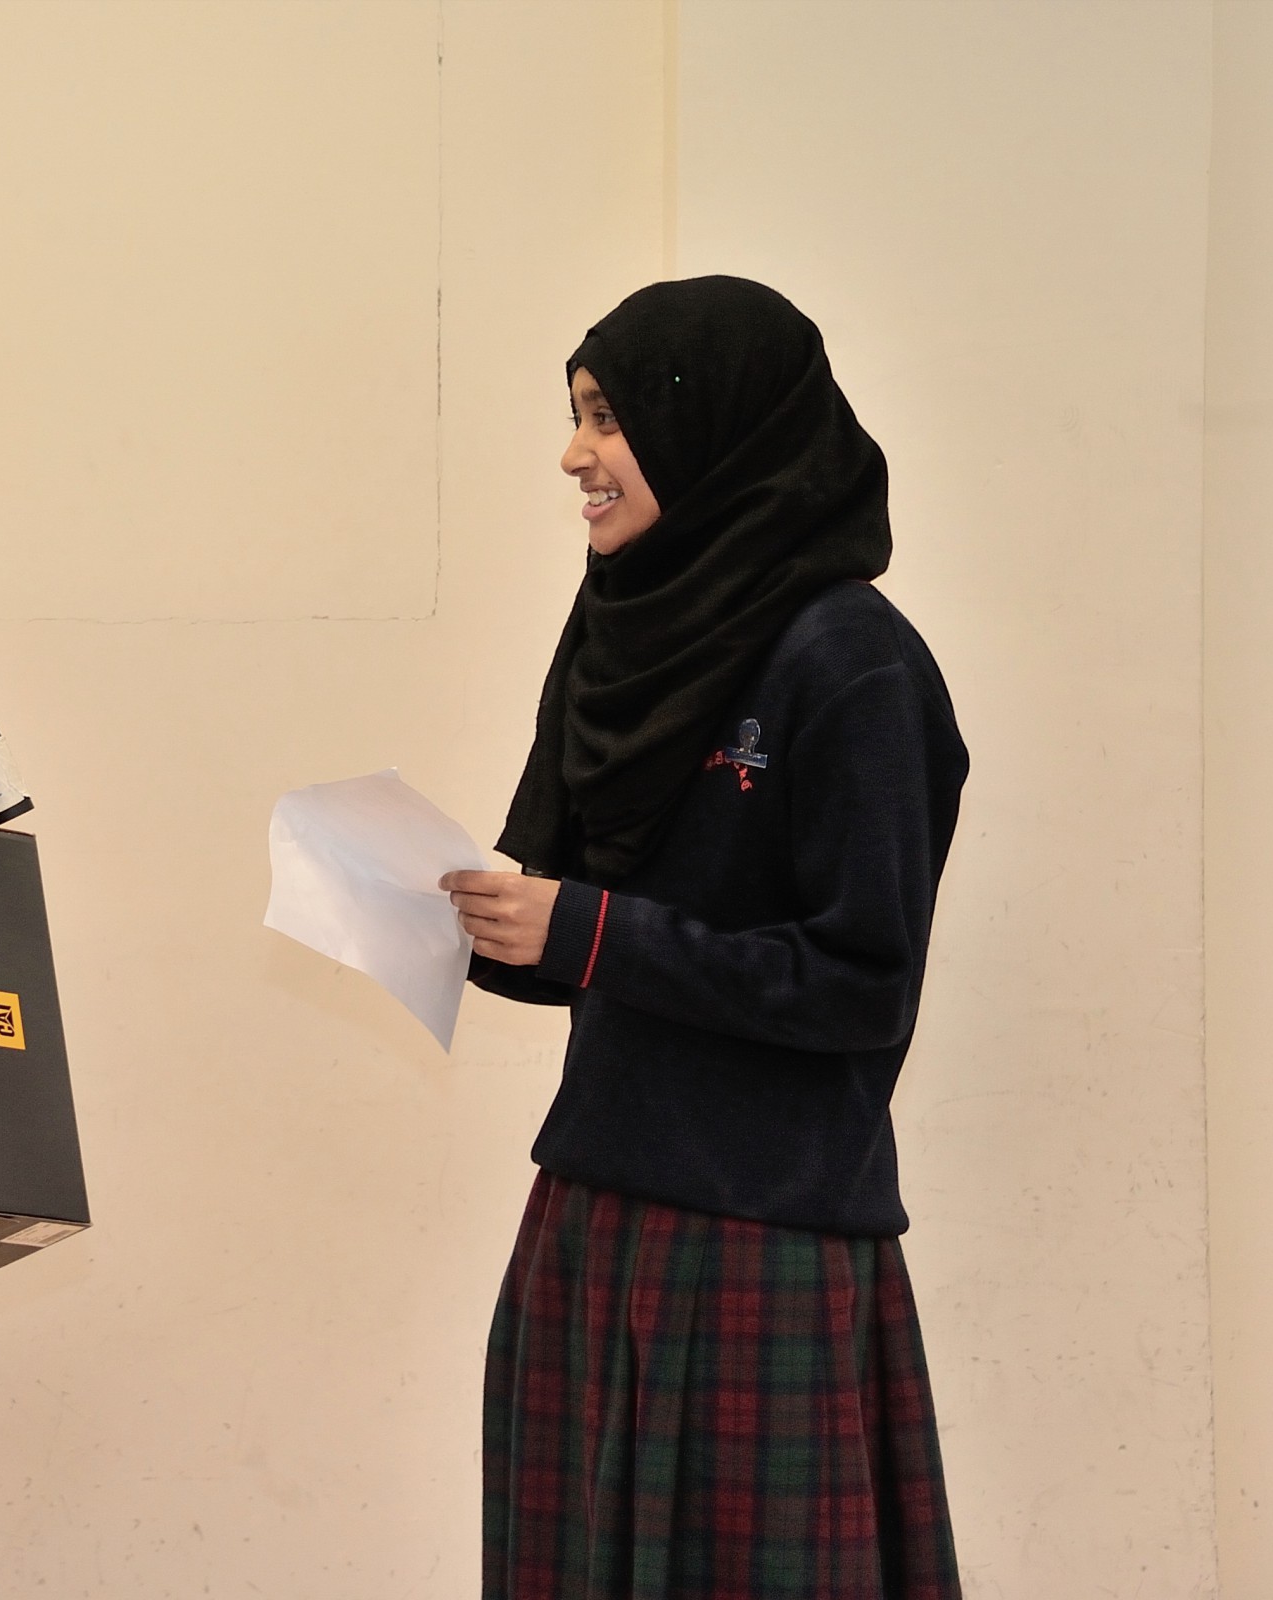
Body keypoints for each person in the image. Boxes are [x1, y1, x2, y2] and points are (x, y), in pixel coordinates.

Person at [442, 276, 968, 1600]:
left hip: (763, 1238)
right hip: (596, 1207)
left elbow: (861, 983)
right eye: (577, 417)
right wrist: (499, 930)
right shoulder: (638, 632)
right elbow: (618, 917)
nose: (576, 456)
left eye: (608, 419)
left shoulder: (852, 664)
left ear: (714, 430)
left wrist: (590, 931)